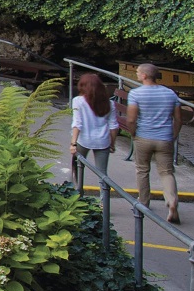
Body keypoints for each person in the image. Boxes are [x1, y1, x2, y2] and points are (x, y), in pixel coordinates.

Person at [122, 63, 186, 223]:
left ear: (144, 76)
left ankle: (143, 203)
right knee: (166, 172)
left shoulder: (136, 94)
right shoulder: (170, 94)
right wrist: (174, 135)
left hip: (143, 137)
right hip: (165, 138)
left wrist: (133, 133)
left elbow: (131, 119)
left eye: (138, 72)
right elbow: (178, 119)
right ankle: (172, 202)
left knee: (142, 170)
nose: (136, 74)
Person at [70, 73, 117, 179]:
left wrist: (73, 144)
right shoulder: (110, 104)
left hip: (83, 140)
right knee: (102, 173)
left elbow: (77, 124)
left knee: (77, 169)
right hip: (103, 141)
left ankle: (77, 193)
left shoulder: (78, 101)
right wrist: (112, 144)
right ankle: (104, 195)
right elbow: (113, 126)